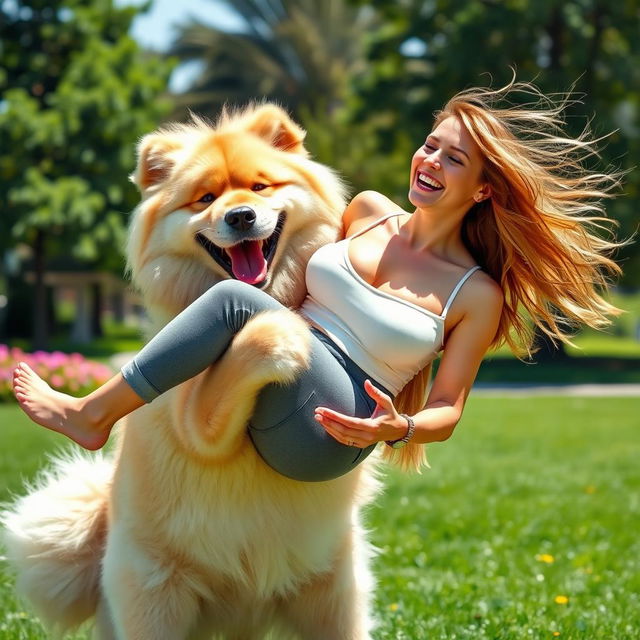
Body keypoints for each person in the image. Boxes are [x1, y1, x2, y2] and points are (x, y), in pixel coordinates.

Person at [12, 79, 623, 480]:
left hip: (330, 426)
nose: (430, 162)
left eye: (453, 159)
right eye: (430, 145)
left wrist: (398, 427)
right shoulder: (365, 211)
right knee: (244, 306)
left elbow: (448, 409)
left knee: (236, 302)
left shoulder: (474, 294)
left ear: (484, 188)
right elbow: (288, 290)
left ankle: (92, 415)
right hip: (278, 366)